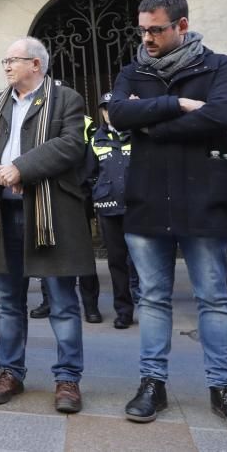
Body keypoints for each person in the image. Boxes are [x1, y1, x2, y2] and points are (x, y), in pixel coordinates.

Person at [108, 0, 227, 437]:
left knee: (214, 298)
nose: (147, 38)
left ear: (181, 25)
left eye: (156, 29)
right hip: (148, 199)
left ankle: (224, 391)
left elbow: (220, 116)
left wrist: (149, 120)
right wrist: (175, 104)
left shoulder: (218, 65)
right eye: (142, 30)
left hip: (203, 200)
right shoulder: (132, 70)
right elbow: (118, 115)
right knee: (152, 298)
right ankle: (152, 385)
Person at [0, 37, 94, 413]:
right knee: (8, 301)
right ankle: (10, 372)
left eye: (12, 60)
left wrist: (22, 168)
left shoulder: (66, 99)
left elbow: (71, 145)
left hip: (50, 212)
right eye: (4, 60)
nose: (5, 66)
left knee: (63, 301)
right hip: (2, 213)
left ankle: (68, 379)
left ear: (35, 64)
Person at [84, 92, 138, 329]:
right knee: (117, 261)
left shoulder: (137, 135)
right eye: (105, 109)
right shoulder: (96, 140)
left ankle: (148, 306)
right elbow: (88, 173)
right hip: (109, 209)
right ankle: (123, 311)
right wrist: (99, 192)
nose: (109, 112)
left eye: (114, 107)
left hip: (138, 208)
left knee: (142, 260)